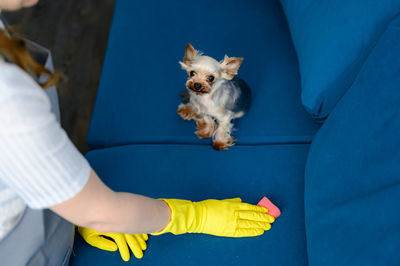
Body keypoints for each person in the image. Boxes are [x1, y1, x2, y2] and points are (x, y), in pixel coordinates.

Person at [0, 0, 275, 264]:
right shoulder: (9, 98)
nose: (197, 83)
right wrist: (194, 216)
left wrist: (66, 207)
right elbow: (99, 211)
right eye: (194, 75)